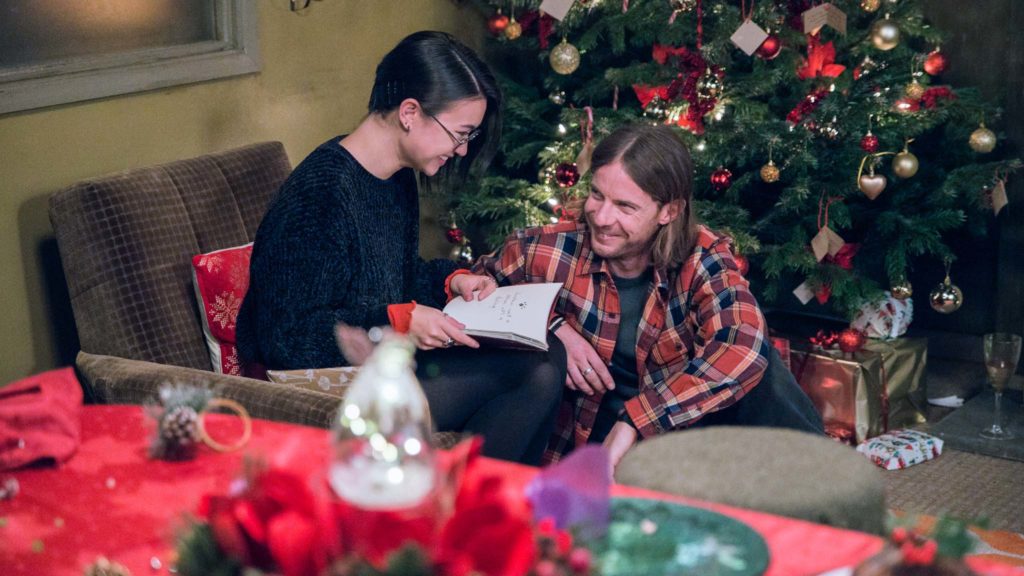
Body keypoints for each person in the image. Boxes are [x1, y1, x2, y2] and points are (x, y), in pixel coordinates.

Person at [236, 31, 564, 466]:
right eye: (460, 133)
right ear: (410, 112)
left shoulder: (394, 177)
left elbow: (397, 275)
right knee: (533, 373)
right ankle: (468, 515)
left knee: (544, 351)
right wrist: (396, 321)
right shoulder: (321, 192)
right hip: (312, 385)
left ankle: (474, 507)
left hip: (377, 363)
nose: (462, 149)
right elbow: (289, 340)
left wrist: (453, 280)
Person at [450, 123, 822, 468]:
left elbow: (742, 348)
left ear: (669, 211)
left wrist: (637, 419)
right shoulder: (541, 249)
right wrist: (552, 327)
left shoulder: (703, 258)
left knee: (766, 371)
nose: (601, 217)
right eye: (597, 194)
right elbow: (470, 297)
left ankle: (821, 491)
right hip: (573, 443)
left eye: (625, 207)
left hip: (670, 442)